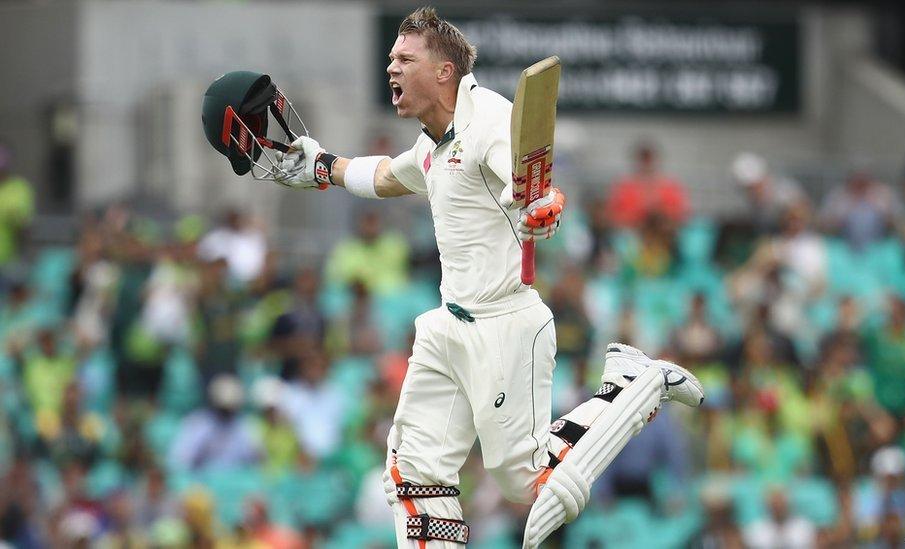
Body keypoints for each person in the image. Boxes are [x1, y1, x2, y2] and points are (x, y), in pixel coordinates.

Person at [264, 7, 704, 547]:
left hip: (505, 323)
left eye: (405, 59)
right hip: (449, 326)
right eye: (390, 59)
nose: (391, 69)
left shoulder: (490, 120)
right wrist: (321, 165)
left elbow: (531, 187)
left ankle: (630, 387)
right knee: (413, 475)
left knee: (526, 480)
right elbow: (385, 175)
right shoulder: (433, 143)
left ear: (444, 71)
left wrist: (546, 207)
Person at [606, 142, 689, 228]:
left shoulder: (670, 186)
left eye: (648, 160)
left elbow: (680, 213)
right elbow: (613, 214)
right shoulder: (624, 186)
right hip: (632, 229)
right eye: (643, 160)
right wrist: (637, 217)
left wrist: (661, 214)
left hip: (663, 230)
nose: (646, 164)